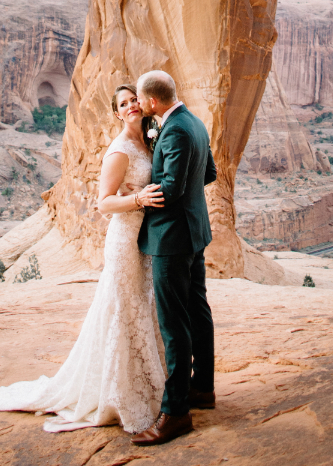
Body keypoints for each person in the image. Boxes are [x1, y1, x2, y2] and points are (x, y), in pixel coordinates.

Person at [0, 84, 166, 434]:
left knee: (142, 308)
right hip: (124, 239)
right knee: (125, 310)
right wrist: (140, 199)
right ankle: (121, 395)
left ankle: (152, 385)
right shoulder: (120, 150)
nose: (131, 105)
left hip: (145, 239)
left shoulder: (149, 139)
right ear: (117, 113)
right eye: (123, 103)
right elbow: (104, 203)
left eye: (134, 99)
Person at [131, 69, 217, 447]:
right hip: (194, 231)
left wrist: (138, 203)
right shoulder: (193, 122)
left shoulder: (177, 129)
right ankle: (203, 389)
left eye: (139, 99)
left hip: (173, 238)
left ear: (152, 102)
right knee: (197, 310)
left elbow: (171, 190)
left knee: (174, 323)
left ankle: (176, 411)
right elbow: (209, 173)